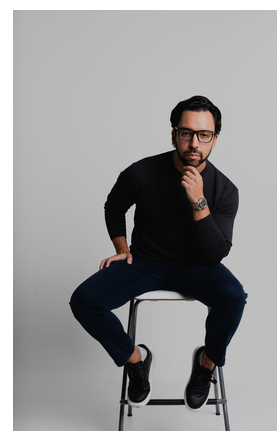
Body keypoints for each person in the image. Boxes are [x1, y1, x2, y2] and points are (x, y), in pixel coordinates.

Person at [69, 95, 247, 413]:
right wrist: (122, 249)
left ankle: (205, 365)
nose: (194, 143)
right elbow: (114, 206)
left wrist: (198, 201)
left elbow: (215, 254)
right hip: (144, 263)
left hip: (198, 267)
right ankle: (136, 360)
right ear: (174, 134)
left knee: (234, 297)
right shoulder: (142, 172)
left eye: (204, 135)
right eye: (186, 133)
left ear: (215, 139)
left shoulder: (224, 190)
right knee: (84, 301)